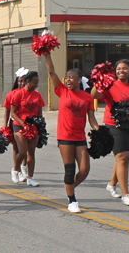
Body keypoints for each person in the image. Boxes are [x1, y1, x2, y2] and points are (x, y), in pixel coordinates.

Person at [46, 53, 99, 213]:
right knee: (69, 170)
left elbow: (91, 118)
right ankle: (72, 200)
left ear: (78, 80)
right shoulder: (62, 91)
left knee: (84, 170)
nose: (68, 80)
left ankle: (70, 186)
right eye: (66, 77)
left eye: (71, 77)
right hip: (65, 137)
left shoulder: (87, 97)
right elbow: (51, 72)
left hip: (80, 138)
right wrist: (47, 53)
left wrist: (98, 130)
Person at [92, 60, 129, 206]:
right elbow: (95, 95)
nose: (121, 71)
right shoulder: (110, 85)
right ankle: (126, 195)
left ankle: (111, 184)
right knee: (123, 156)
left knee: (124, 158)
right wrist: (97, 81)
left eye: (124, 68)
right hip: (113, 125)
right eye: (118, 68)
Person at [10, 71, 45, 187]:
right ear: (28, 81)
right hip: (20, 124)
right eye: (35, 83)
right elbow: (13, 113)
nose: (36, 85)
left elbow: (40, 113)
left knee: (32, 152)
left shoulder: (38, 95)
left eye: (37, 83)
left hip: (33, 125)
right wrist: (23, 124)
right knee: (23, 151)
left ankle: (31, 177)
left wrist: (39, 124)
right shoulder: (18, 94)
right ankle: (15, 170)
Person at [3, 68, 29, 181]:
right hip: (15, 124)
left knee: (26, 148)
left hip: (28, 125)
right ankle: (16, 169)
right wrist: (5, 126)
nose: (21, 83)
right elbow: (7, 111)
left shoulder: (30, 93)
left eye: (23, 81)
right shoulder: (11, 94)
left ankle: (24, 167)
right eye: (19, 81)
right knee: (16, 148)